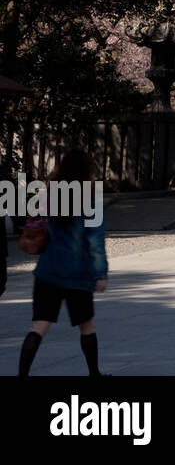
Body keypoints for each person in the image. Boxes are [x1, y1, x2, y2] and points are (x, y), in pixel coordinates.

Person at [19, 149, 108, 376]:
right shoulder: (90, 199)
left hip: (48, 270)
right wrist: (100, 273)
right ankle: (94, 373)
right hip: (77, 273)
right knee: (86, 326)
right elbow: (95, 239)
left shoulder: (50, 194)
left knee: (40, 325)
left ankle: (22, 374)